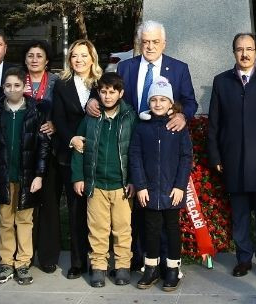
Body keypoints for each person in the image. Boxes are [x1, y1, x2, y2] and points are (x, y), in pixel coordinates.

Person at [116, 21, 198, 270]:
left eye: (155, 42)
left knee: (163, 212)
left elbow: (190, 102)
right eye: (145, 42)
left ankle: (167, 262)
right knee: (138, 204)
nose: (149, 46)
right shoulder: (126, 67)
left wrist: (182, 116)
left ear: (164, 43)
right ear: (139, 43)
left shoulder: (179, 68)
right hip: (133, 142)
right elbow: (115, 99)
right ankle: (140, 258)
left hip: (167, 146)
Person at [208, 33, 256, 278]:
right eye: (239, 49)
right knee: (240, 216)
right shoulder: (222, 82)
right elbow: (214, 124)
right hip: (234, 161)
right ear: (233, 52)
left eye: (249, 49)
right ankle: (243, 258)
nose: (244, 54)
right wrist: (216, 157)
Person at [0, 67, 51, 286]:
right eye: (8, 86)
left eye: (17, 85)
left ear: (24, 87)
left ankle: (23, 262)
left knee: (25, 220)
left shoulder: (35, 112)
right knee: (5, 220)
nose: (12, 90)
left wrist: (39, 175)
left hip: (27, 176)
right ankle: (7, 261)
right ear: (3, 88)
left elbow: (43, 147)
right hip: (3, 176)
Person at [70, 72, 137, 287]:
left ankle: (122, 266)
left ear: (121, 93)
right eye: (104, 92)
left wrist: (134, 180)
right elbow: (79, 148)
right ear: (98, 93)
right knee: (98, 228)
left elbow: (136, 153)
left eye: (112, 92)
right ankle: (98, 266)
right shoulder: (90, 117)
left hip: (121, 185)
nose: (107, 96)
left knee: (122, 228)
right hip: (96, 184)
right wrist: (78, 177)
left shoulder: (129, 118)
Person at [129, 78, 194, 291]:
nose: (158, 104)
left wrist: (179, 186)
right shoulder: (142, 127)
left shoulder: (177, 127)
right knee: (151, 229)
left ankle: (173, 268)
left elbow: (186, 157)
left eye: (163, 100)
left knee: (172, 229)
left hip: (171, 190)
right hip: (148, 191)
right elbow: (135, 157)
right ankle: (151, 267)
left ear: (170, 103)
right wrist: (140, 186)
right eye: (154, 99)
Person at [52, 39, 102, 278]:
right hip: (70, 154)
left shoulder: (102, 85)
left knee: (98, 212)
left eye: (84, 55)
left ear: (92, 58)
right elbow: (58, 118)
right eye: (74, 56)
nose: (79, 60)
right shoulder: (62, 85)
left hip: (98, 157)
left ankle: (98, 262)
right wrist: (72, 139)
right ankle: (78, 262)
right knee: (75, 211)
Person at [22, 40, 61, 273]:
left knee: (49, 204)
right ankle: (25, 253)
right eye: (30, 55)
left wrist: (55, 124)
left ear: (47, 60)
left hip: (50, 151)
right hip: (24, 151)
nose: (34, 59)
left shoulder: (57, 83)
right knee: (25, 206)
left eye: (39, 55)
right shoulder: (16, 78)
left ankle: (47, 255)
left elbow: (65, 110)